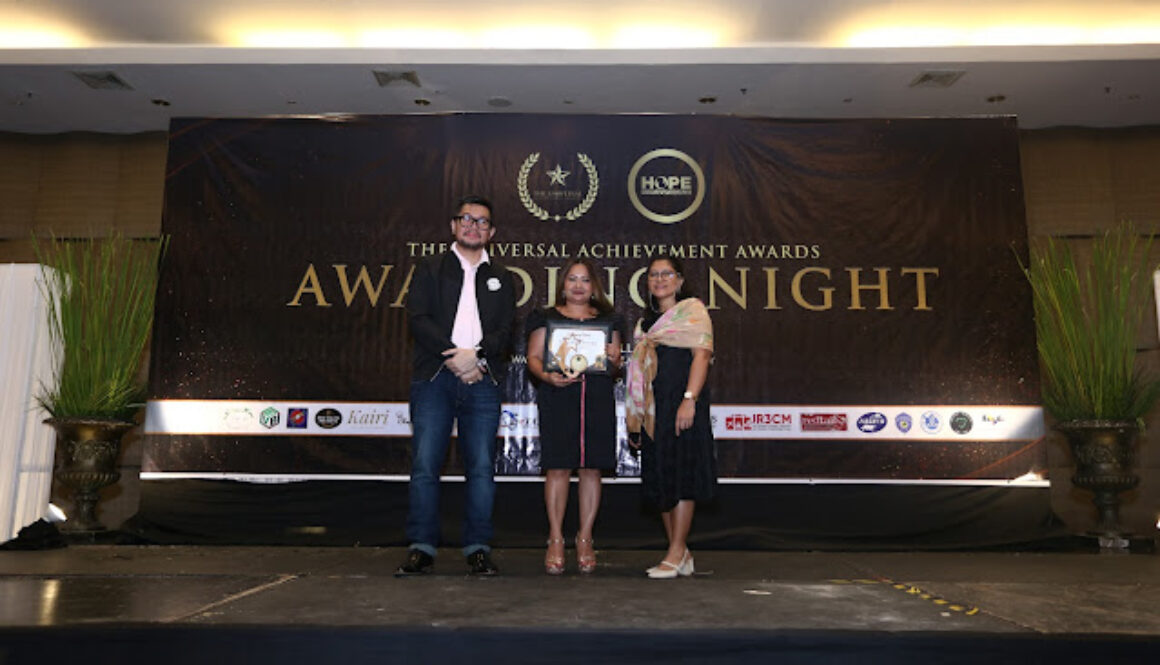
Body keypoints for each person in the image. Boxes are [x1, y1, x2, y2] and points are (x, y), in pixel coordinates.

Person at [395, 195, 516, 577]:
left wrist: (475, 357)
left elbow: (506, 331)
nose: (473, 226)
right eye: (467, 218)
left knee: (481, 467)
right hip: (434, 378)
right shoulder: (429, 268)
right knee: (425, 465)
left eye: (482, 222)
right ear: (453, 225)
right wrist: (454, 355)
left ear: (491, 232)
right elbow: (419, 319)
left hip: (482, 380)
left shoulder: (503, 277)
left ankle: (478, 548)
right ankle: (421, 547)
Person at [525, 259, 623, 574]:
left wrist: (615, 360)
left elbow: (615, 365)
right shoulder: (545, 317)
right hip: (557, 397)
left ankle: (585, 538)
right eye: (572, 279)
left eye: (584, 280)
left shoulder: (609, 319)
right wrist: (547, 376)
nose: (578, 286)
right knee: (558, 467)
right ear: (563, 284)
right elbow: (534, 357)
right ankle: (555, 538)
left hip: (596, 397)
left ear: (594, 287)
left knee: (592, 468)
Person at [626, 256, 715, 579]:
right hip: (654, 411)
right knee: (662, 478)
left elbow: (702, 357)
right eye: (653, 275)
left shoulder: (693, 312)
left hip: (683, 406)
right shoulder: (645, 326)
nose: (660, 279)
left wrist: (689, 400)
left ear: (679, 280)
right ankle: (680, 552)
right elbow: (639, 372)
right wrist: (637, 417)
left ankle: (676, 551)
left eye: (667, 274)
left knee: (682, 477)